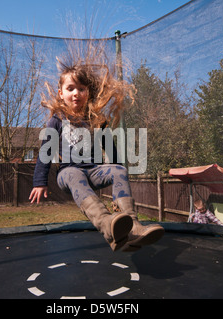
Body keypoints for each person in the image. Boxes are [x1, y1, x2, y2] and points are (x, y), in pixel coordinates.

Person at [29, 62, 164, 252]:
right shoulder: (57, 120)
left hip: (94, 171)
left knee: (119, 170)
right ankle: (106, 224)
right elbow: (46, 152)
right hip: (68, 173)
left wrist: (118, 171)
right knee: (74, 175)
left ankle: (131, 228)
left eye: (81, 89)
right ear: (61, 93)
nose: (76, 93)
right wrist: (39, 181)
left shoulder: (96, 119)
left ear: (88, 93)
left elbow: (111, 148)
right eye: (70, 88)